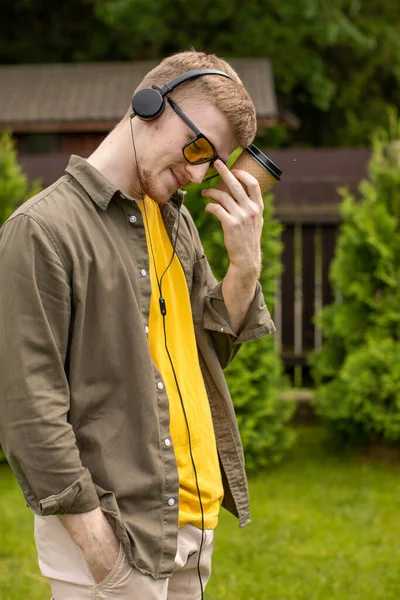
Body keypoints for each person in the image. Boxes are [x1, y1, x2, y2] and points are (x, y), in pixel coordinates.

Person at [0, 50, 276, 599]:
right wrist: (97, 546)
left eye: (213, 161)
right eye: (197, 147)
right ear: (150, 104)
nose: (197, 174)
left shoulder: (175, 226)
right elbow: (28, 405)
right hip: (116, 538)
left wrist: (245, 265)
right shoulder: (43, 230)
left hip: (191, 527)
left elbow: (210, 352)